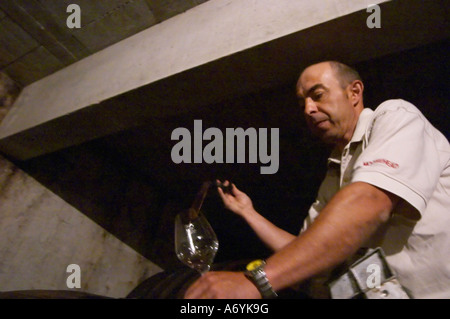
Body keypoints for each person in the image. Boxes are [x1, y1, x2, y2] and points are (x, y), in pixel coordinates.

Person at [184, 61, 450, 299]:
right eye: (303, 104)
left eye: (317, 95)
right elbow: (304, 250)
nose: (309, 110)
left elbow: (370, 201)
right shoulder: (333, 175)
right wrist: (247, 212)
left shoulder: (395, 116)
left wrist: (257, 282)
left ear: (354, 92)